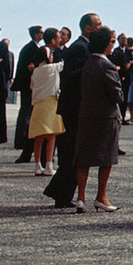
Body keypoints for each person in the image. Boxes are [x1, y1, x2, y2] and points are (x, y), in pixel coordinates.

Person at [44, 12, 99, 207]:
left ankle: (60, 193)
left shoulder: (84, 47)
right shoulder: (80, 48)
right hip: (73, 108)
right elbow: (74, 76)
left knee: (74, 153)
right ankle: (61, 195)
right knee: (71, 153)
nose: (100, 28)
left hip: (76, 107)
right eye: (97, 25)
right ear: (87, 27)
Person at [74, 27, 121, 213]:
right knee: (106, 158)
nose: (113, 45)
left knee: (84, 158)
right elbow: (117, 96)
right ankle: (101, 195)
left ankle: (80, 197)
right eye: (112, 41)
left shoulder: (88, 63)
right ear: (105, 44)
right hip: (106, 116)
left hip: (86, 115)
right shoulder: (107, 66)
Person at [28, 43, 64, 175]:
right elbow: (64, 64)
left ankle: (37, 165)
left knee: (38, 137)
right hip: (50, 103)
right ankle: (49, 165)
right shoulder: (52, 68)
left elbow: (32, 87)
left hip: (38, 104)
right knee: (51, 136)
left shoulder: (35, 72)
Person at [12, 26, 44, 163]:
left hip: (27, 85)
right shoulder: (32, 48)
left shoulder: (30, 47)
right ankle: (21, 140)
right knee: (26, 114)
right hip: (28, 86)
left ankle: (21, 140)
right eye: (41, 33)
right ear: (36, 35)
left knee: (25, 113)